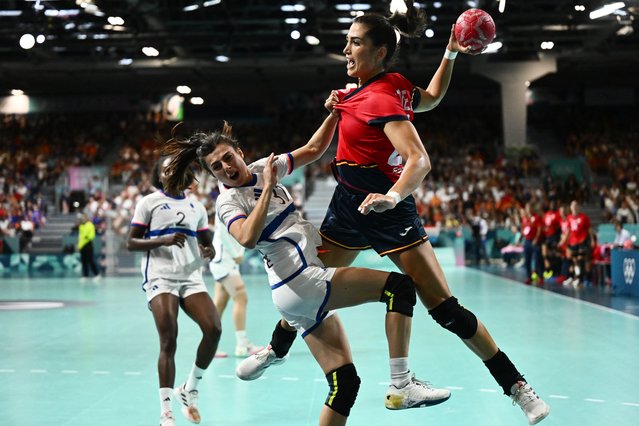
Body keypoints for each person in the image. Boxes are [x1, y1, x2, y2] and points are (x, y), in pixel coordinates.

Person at [239, 3, 550, 424]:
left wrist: (393, 195)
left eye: (355, 42)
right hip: (349, 208)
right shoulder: (384, 88)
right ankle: (275, 350)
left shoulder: (381, 97)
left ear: (381, 51)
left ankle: (517, 388)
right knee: (307, 284)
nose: (346, 49)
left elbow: (418, 160)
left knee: (445, 310)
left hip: (388, 211)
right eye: (347, 41)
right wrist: (451, 52)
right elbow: (433, 98)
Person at [161, 116, 449, 425]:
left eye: (228, 157)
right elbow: (246, 237)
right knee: (399, 288)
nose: (226, 168)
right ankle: (401, 384)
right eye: (216, 167)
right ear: (211, 174)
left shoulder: (262, 168)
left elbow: (313, 149)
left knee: (345, 385)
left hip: (294, 292)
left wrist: (335, 114)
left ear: (239, 152)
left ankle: (275, 348)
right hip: (302, 281)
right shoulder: (228, 201)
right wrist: (270, 187)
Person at [126, 157, 221, 426]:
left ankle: (189, 389)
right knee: (169, 338)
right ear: (160, 175)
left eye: (175, 167)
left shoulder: (197, 207)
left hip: (191, 277)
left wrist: (209, 250)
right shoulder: (149, 203)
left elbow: (207, 244)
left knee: (214, 329)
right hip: (160, 276)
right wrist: (163, 240)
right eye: (165, 168)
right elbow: (130, 242)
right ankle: (166, 412)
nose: (171, 171)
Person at [209, 183, 263, 358]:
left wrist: (239, 252)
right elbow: (224, 233)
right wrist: (236, 253)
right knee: (241, 298)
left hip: (226, 260)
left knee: (219, 305)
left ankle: (209, 345)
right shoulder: (224, 201)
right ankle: (242, 345)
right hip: (225, 260)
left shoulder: (236, 199)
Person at [76, 213, 100, 281]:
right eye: (82, 218)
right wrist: (78, 245)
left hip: (88, 245)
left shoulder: (90, 225)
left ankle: (97, 274)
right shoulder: (81, 226)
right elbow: (80, 236)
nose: (82, 219)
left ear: (86, 218)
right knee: (84, 261)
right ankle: (85, 276)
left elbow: (92, 235)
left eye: (84, 217)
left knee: (90, 260)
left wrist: (87, 237)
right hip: (82, 246)